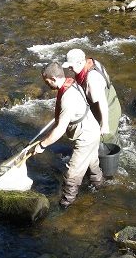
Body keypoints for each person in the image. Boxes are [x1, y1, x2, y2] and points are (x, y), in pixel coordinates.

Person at [33, 62, 102, 209]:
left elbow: (60, 130)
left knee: (72, 175)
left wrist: (42, 145)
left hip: (86, 136)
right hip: (93, 129)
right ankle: (100, 189)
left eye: (46, 81)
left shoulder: (67, 98)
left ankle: (65, 205)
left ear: (52, 78)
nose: (46, 84)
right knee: (92, 164)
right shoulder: (71, 83)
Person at [62, 49, 122, 146]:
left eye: (70, 66)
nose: (69, 68)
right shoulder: (90, 64)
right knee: (111, 137)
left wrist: (104, 125)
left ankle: (115, 159)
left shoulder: (92, 78)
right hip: (112, 102)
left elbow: (102, 102)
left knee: (105, 140)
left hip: (108, 111)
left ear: (80, 62)